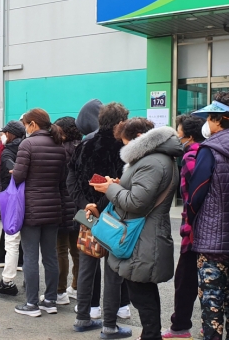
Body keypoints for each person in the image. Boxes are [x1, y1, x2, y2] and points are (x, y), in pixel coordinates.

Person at [90, 118, 182, 340]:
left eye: (125, 143)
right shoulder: (154, 159)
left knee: (142, 293)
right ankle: (151, 334)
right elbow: (140, 193)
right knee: (143, 290)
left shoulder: (152, 162)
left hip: (143, 235)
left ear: (139, 138)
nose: (124, 148)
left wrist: (111, 189)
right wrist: (118, 184)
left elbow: (136, 202)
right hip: (144, 233)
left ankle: (151, 335)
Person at [68, 102, 131, 325]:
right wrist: (101, 204)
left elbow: (72, 180)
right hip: (116, 216)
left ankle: (83, 317)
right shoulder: (124, 150)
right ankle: (110, 324)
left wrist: (86, 205)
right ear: (121, 122)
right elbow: (120, 184)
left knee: (86, 268)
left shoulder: (84, 145)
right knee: (113, 270)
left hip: (87, 216)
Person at [10, 108, 66, 317]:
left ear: (33, 124)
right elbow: (62, 180)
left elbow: (18, 177)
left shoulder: (28, 144)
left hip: (31, 208)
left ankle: (32, 304)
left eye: (25, 124)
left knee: (31, 256)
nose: (25, 128)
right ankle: (50, 300)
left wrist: (14, 171)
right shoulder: (59, 146)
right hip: (53, 206)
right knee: (50, 255)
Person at [187, 93, 229, 340]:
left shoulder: (209, 149)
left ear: (216, 119)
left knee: (213, 303)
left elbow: (196, 193)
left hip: (213, 242)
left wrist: (192, 219)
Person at [161, 115, 206, 339]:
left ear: (188, 136)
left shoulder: (191, 155)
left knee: (185, 281)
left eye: (178, 133)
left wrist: (189, 228)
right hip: (213, 230)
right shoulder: (209, 152)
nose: (177, 137)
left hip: (195, 230)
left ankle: (180, 327)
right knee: (213, 280)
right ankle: (209, 323)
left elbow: (193, 198)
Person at [0, 120, 25, 296]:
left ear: (11, 134)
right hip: (32, 198)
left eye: (5, 132)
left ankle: (7, 280)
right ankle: (29, 279)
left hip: (13, 198)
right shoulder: (29, 146)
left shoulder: (8, 152)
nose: (2, 136)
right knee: (31, 243)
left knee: (11, 240)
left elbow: (10, 169)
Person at [53, 116, 82, 306]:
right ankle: (77, 287)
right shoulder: (83, 148)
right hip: (80, 205)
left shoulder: (60, 151)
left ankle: (60, 291)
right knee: (78, 250)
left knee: (60, 250)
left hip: (63, 204)